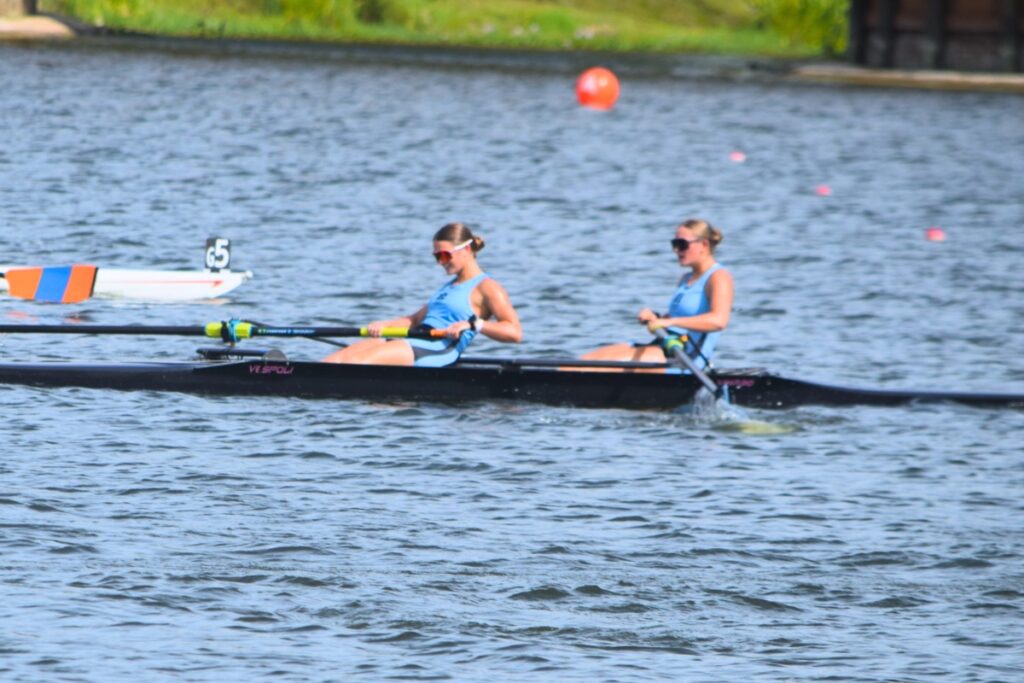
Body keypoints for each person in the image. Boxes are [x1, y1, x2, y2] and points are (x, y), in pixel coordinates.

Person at [323, 222, 522, 366]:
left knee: (355, 363)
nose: (440, 262)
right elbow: (415, 319)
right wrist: (385, 325)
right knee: (334, 361)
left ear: (467, 249)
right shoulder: (448, 287)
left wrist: (474, 325)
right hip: (416, 338)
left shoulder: (487, 287)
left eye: (445, 255)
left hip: (438, 347)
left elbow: (514, 332)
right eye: (437, 257)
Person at [579, 218, 733, 371]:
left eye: (682, 245)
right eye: (674, 244)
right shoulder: (685, 279)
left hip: (685, 359)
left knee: (595, 369)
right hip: (665, 346)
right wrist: (656, 318)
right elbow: (674, 318)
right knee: (582, 363)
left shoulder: (718, 277)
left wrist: (669, 323)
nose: (676, 250)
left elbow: (719, 321)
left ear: (703, 245)